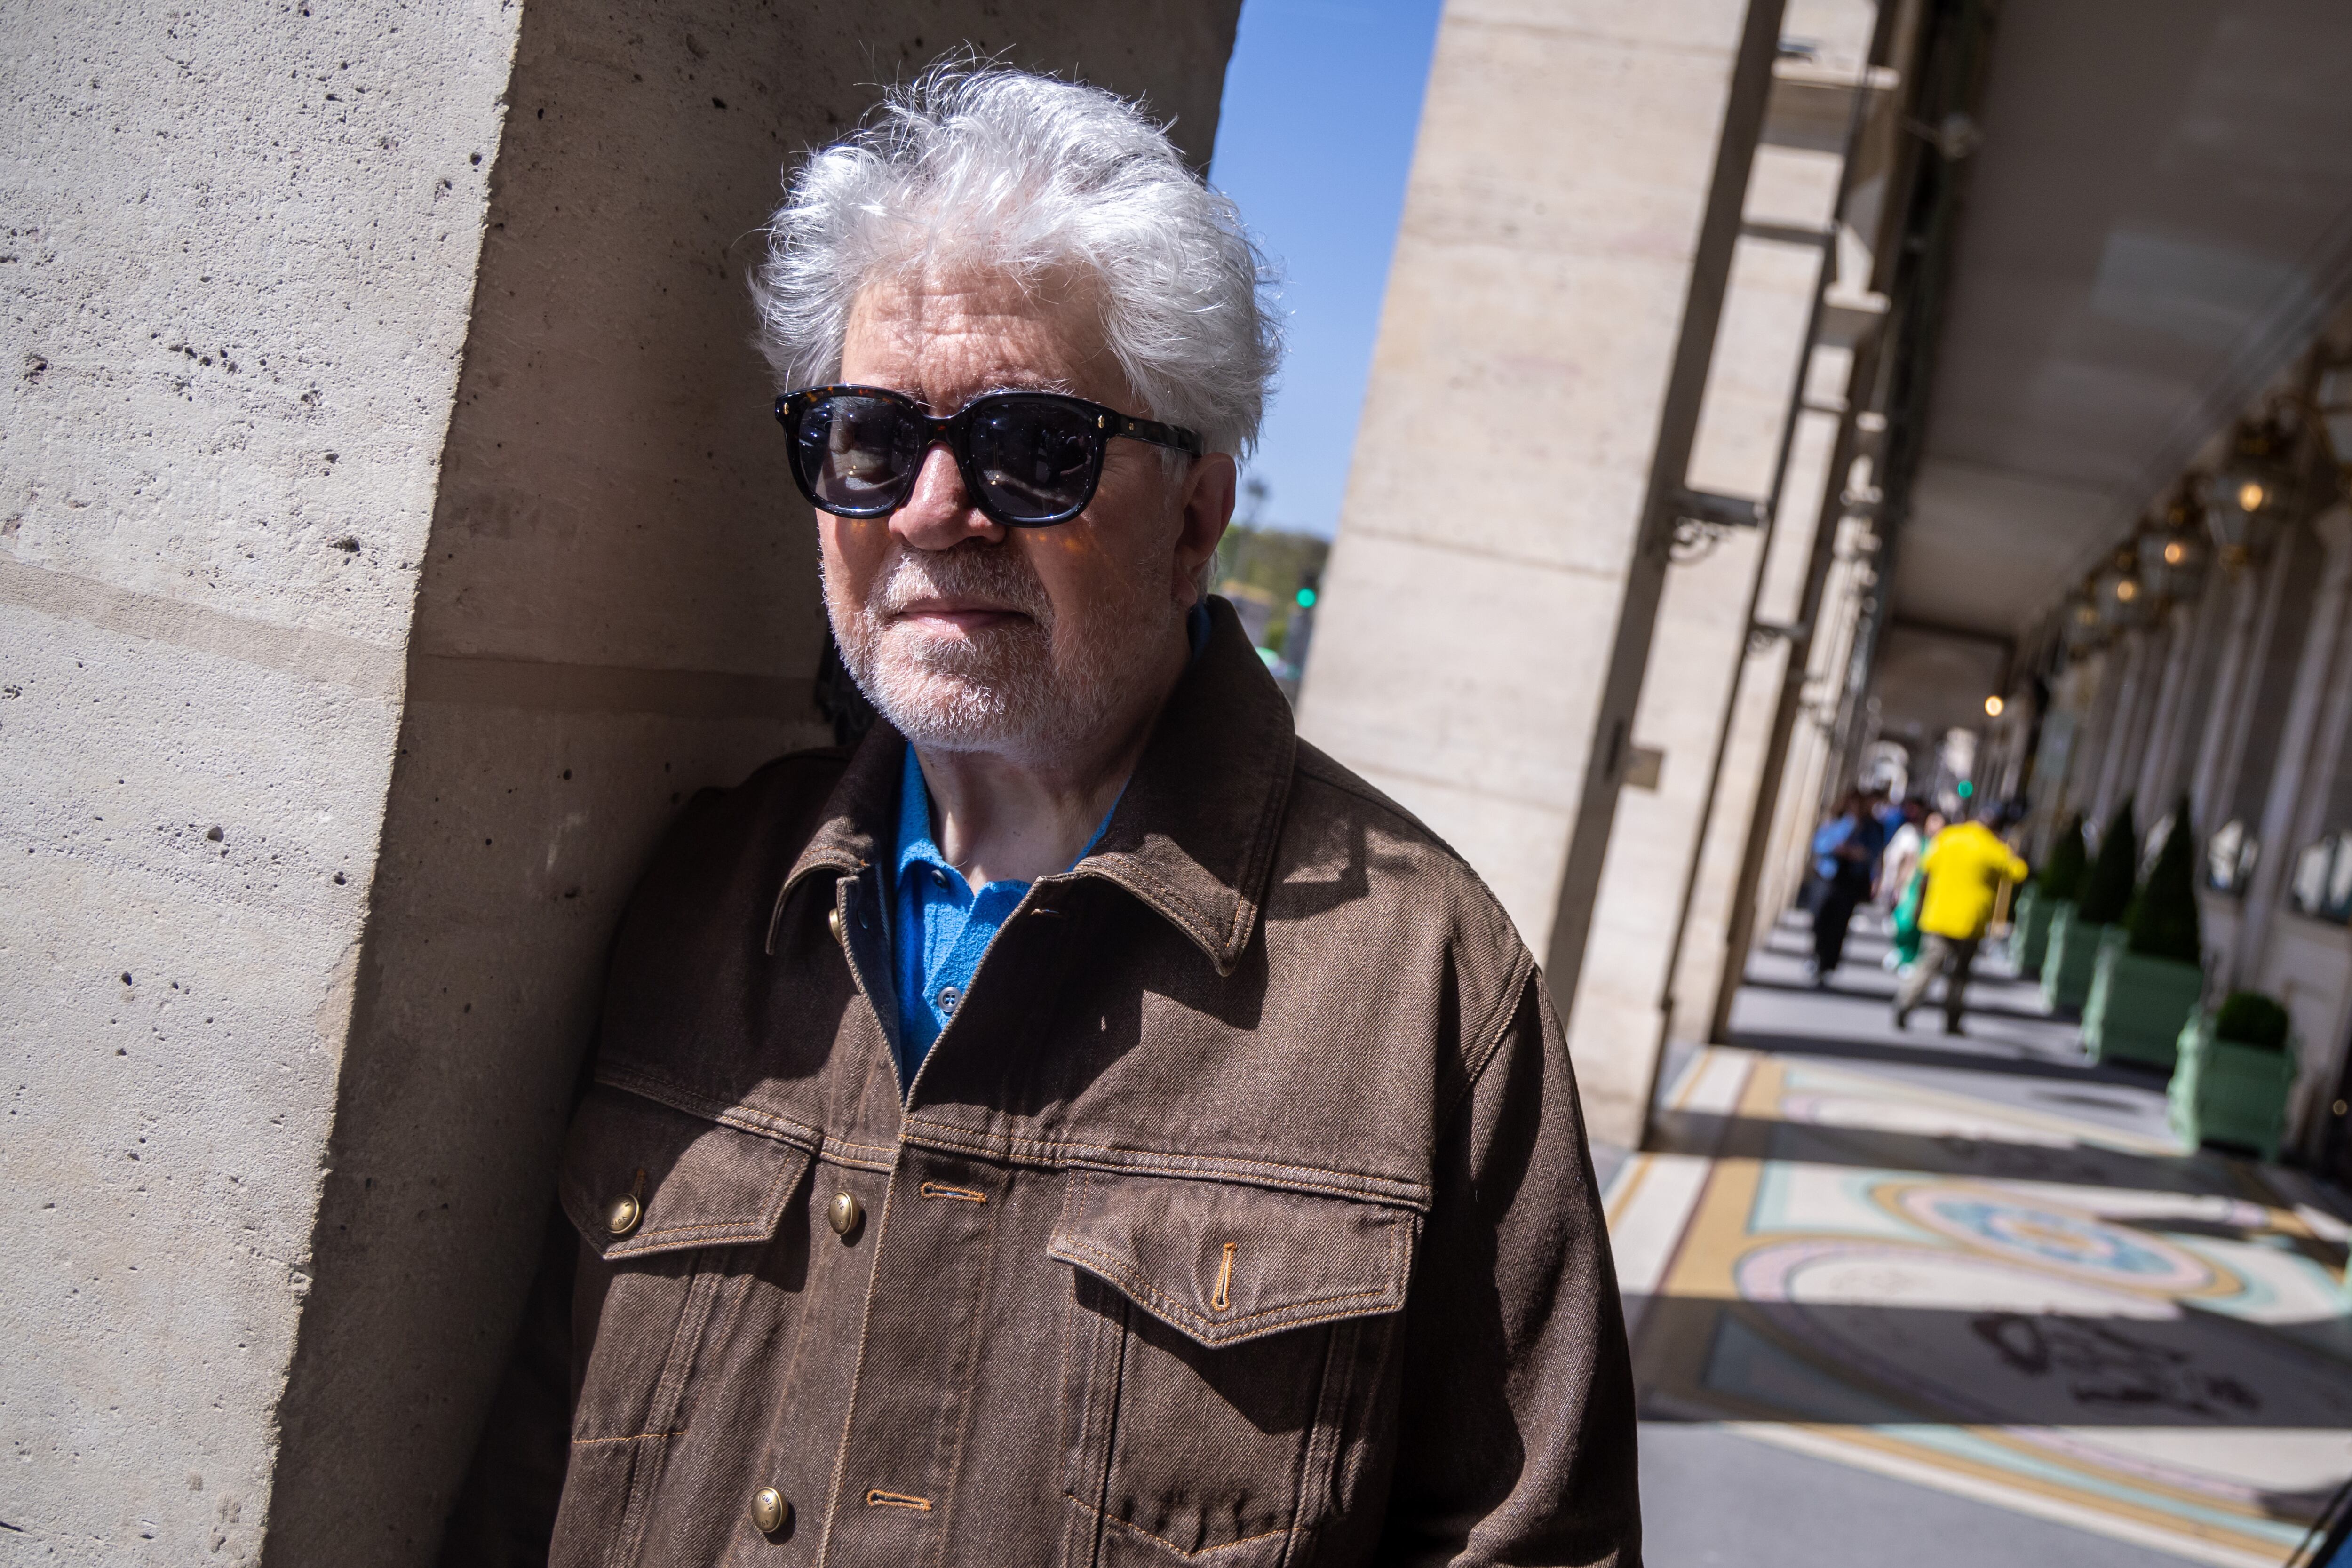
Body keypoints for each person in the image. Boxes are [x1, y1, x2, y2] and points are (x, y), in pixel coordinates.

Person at [440, 64, 1639, 1567]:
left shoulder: (1424, 991)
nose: (937, 508)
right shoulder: (702, 889)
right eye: (870, 439)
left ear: (1196, 513)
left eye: (1032, 446)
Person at [1893, 800, 2030, 1034]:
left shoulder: (1949, 837)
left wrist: (1919, 904)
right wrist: (2011, 849)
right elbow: (2019, 873)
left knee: (1928, 966)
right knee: (1959, 975)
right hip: (1970, 922)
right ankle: (1952, 1020)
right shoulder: (1993, 848)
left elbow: (1926, 867)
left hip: (1938, 916)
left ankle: (1905, 1004)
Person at [1808, 790, 1886, 984]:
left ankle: (1827, 963)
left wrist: (1859, 855)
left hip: (1850, 880)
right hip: (1828, 876)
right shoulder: (1836, 822)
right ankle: (1816, 954)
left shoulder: (1872, 828)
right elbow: (1820, 845)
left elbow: (1873, 853)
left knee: (1839, 924)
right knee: (1820, 917)